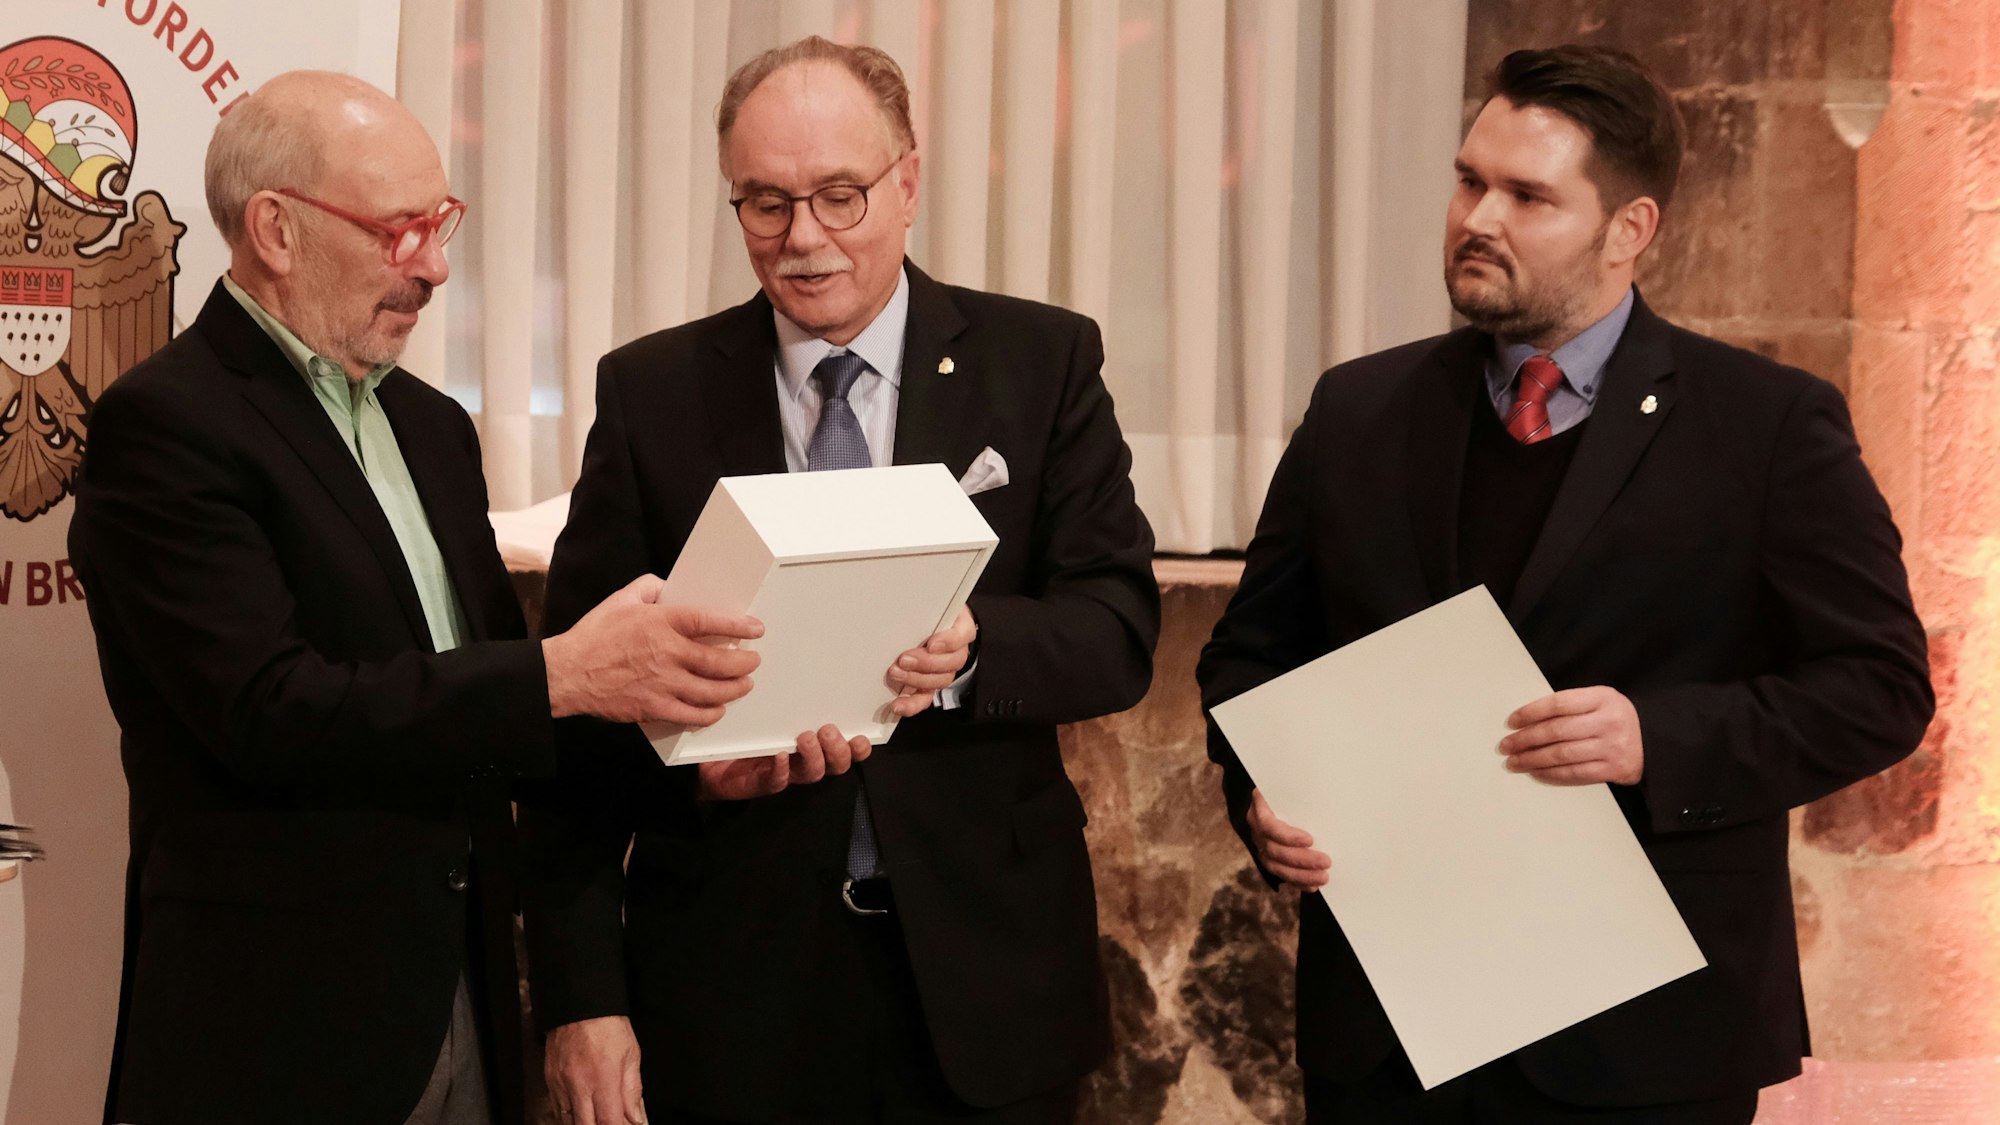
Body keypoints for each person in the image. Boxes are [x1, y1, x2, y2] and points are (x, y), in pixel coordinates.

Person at [1198, 45, 1933, 1124]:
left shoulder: (1765, 426)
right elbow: (1251, 658)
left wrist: (1658, 738)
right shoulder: (1357, 409)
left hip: (1645, 1040)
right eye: (1467, 180)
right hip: (1391, 1032)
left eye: (1526, 195)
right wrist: (1264, 800)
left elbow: (1878, 689)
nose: (1475, 217)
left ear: (1628, 230)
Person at [69, 71, 762, 1125]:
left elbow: (505, 723)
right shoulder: (166, 427)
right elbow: (271, 710)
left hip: (464, 1005)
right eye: (402, 231)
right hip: (274, 1032)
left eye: (442, 223)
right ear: (277, 230)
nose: (436, 267)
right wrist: (560, 669)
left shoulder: (434, 429)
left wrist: (696, 768)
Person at [520, 36, 1159, 1125]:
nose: (802, 239)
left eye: (838, 196)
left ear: (908, 182)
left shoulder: (1038, 363)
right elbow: (579, 724)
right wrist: (581, 999)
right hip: (732, 988)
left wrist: (968, 652)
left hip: (986, 990)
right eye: (764, 204)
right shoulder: (653, 394)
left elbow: (1115, 627)